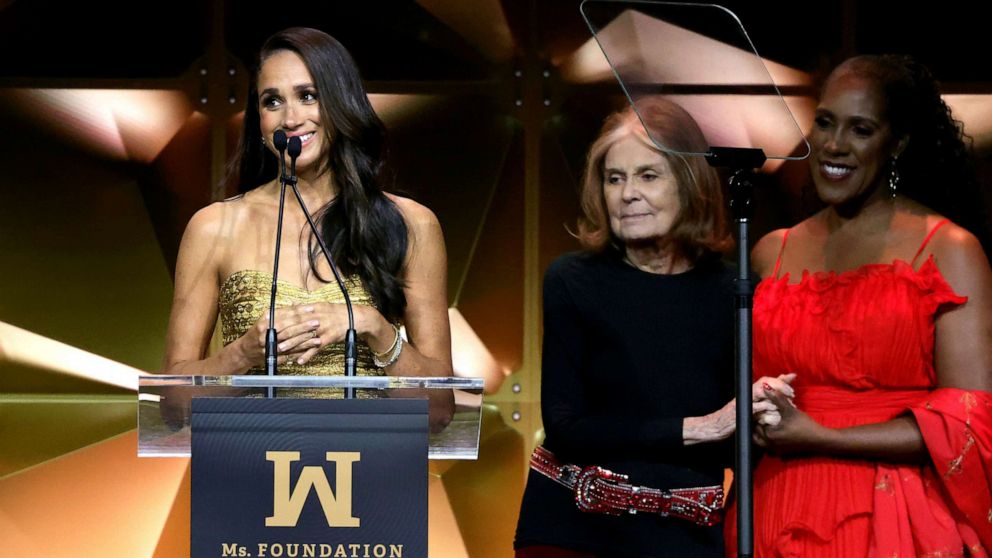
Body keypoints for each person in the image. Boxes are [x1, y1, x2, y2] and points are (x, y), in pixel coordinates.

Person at [731, 55, 992, 557]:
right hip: (771, 505)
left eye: (861, 129)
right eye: (825, 122)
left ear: (897, 144)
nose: (833, 144)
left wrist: (820, 435)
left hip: (891, 518)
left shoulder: (947, 249)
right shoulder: (771, 250)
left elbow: (968, 424)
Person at [514, 97, 793, 558]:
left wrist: (764, 412)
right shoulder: (572, 279)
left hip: (684, 537)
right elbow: (566, 427)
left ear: (689, 184)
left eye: (648, 175)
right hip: (573, 531)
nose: (627, 194)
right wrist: (698, 428)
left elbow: (732, 442)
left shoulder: (736, 290)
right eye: (614, 178)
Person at [161, 28, 453, 419]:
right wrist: (242, 354)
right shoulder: (213, 227)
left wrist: (373, 327)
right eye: (272, 101)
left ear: (340, 102)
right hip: (247, 466)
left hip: (365, 468)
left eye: (308, 96)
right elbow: (172, 403)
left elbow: (440, 409)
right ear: (259, 121)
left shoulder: (411, 224)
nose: (291, 118)